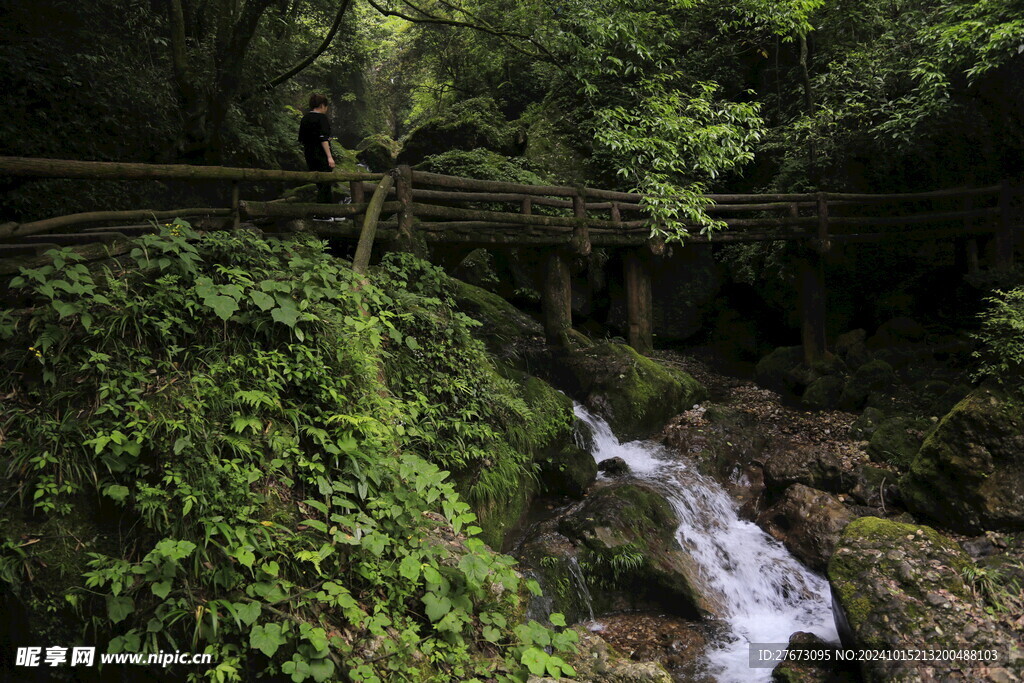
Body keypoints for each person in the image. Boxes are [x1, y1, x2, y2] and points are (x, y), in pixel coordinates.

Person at [298, 93, 336, 206]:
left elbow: (302, 139)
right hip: (321, 155)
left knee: (319, 184)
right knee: (326, 184)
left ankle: (322, 210)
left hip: (309, 155)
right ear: (322, 105)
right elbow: (323, 139)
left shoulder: (305, 118)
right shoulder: (322, 118)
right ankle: (325, 211)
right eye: (326, 106)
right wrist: (329, 157)